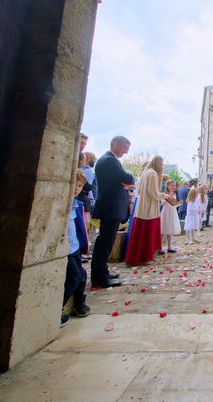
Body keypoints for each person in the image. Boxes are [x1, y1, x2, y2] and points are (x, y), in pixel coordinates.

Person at [91, 136, 134, 288]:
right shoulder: (109, 160)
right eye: (124, 149)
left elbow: (125, 181)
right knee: (105, 243)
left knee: (106, 242)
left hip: (111, 206)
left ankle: (103, 271)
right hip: (110, 206)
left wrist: (126, 184)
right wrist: (128, 181)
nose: (125, 153)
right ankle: (99, 277)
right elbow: (127, 177)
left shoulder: (109, 160)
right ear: (115, 144)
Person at [61, 169, 91, 327]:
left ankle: (79, 304)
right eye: (74, 184)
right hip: (66, 250)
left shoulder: (76, 204)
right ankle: (57, 309)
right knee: (74, 277)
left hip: (75, 248)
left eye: (79, 186)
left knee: (82, 276)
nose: (76, 188)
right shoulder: (63, 204)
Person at [125, 156, 164, 265]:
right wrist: (164, 196)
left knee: (141, 233)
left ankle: (138, 257)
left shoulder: (146, 172)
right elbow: (153, 193)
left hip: (143, 206)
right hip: (148, 207)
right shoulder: (152, 174)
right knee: (146, 233)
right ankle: (143, 257)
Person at [160, 180, 181, 253]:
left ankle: (169, 247)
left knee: (170, 230)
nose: (173, 187)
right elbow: (162, 203)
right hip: (166, 212)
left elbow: (174, 205)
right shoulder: (164, 194)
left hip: (172, 212)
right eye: (172, 185)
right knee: (163, 230)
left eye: (174, 186)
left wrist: (179, 204)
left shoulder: (175, 194)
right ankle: (160, 248)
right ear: (168, 186)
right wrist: (168, 197)